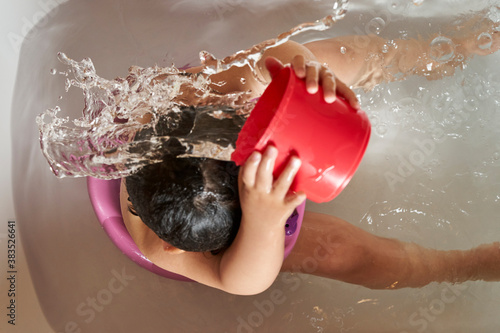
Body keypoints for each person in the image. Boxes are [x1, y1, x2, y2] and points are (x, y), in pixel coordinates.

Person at [120, 26, 500, 295]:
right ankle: (462, 266)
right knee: (340, 251)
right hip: (252, 237)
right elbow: (242, 282)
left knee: (334, 60)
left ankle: (450, 47)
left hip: (218, 150)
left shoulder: (195, 97)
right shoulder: (163, 247)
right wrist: (263, 222)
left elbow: (266, 55)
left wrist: (303, 71)